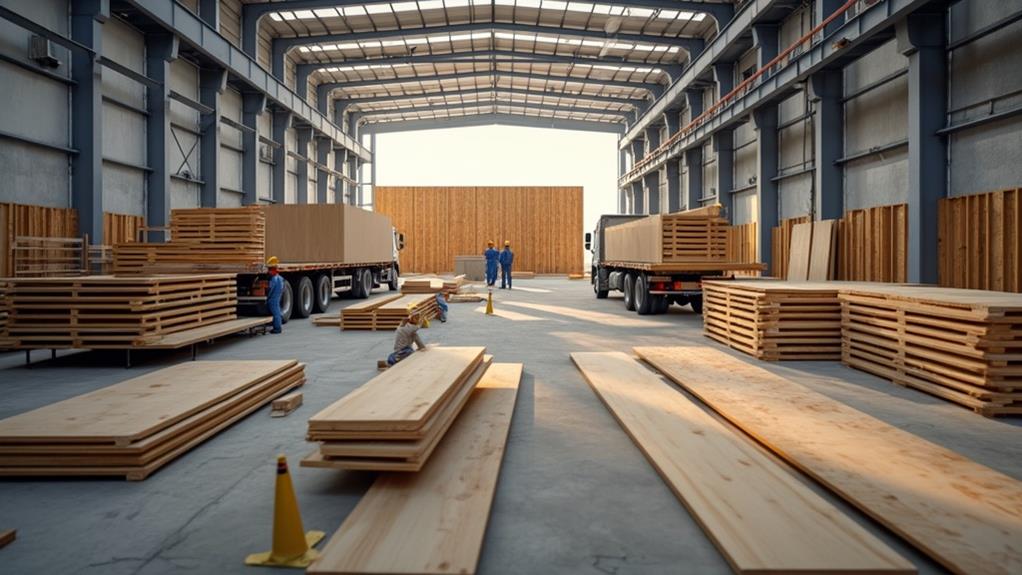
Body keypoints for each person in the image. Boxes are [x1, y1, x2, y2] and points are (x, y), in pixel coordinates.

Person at [266, 256, 284, 334]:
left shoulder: (274, 279)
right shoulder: (280, 278)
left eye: (269, 270)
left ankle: (277, 328)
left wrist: (268, 297)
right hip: (277, 297)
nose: (268, 271)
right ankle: (278, 326)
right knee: (277, 311)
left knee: (275, 312)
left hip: (273, 298)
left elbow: (270, 289)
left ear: (272, 269)